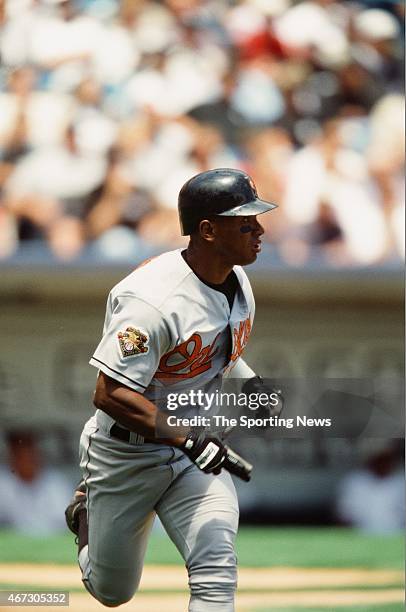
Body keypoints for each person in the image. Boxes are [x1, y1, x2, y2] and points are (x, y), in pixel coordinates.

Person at [65, 168, 279, 611]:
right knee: (111, 591)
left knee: (217, 568)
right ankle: (85, 511)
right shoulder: (151, 301)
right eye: (245, 222)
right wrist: (188, 437)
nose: (259, 229)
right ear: (207, 230)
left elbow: (210, 351)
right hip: (126, 454)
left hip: (191, 457)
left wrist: (251, 385)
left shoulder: (237, 281)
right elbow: (109, 394)